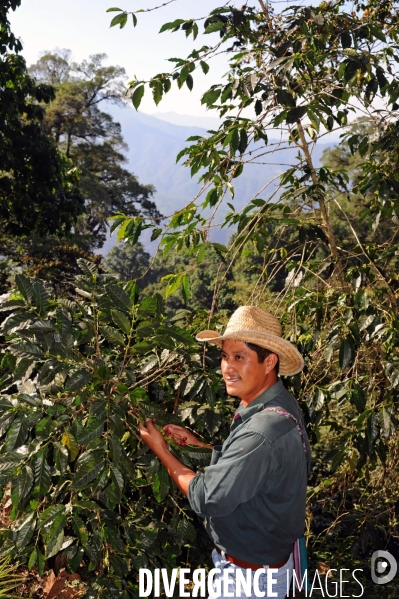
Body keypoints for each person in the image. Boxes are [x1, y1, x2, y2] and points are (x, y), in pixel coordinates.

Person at [139, 305, 311, 599]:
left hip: (251, 581)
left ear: (269, 362)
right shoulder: (274, 402)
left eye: (240, 357)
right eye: (225, 356)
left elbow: (205, 497)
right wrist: (200, 447)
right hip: (264, 564)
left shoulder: (262, 430)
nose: (227, 367)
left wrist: (162, 452)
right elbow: (255, 467)